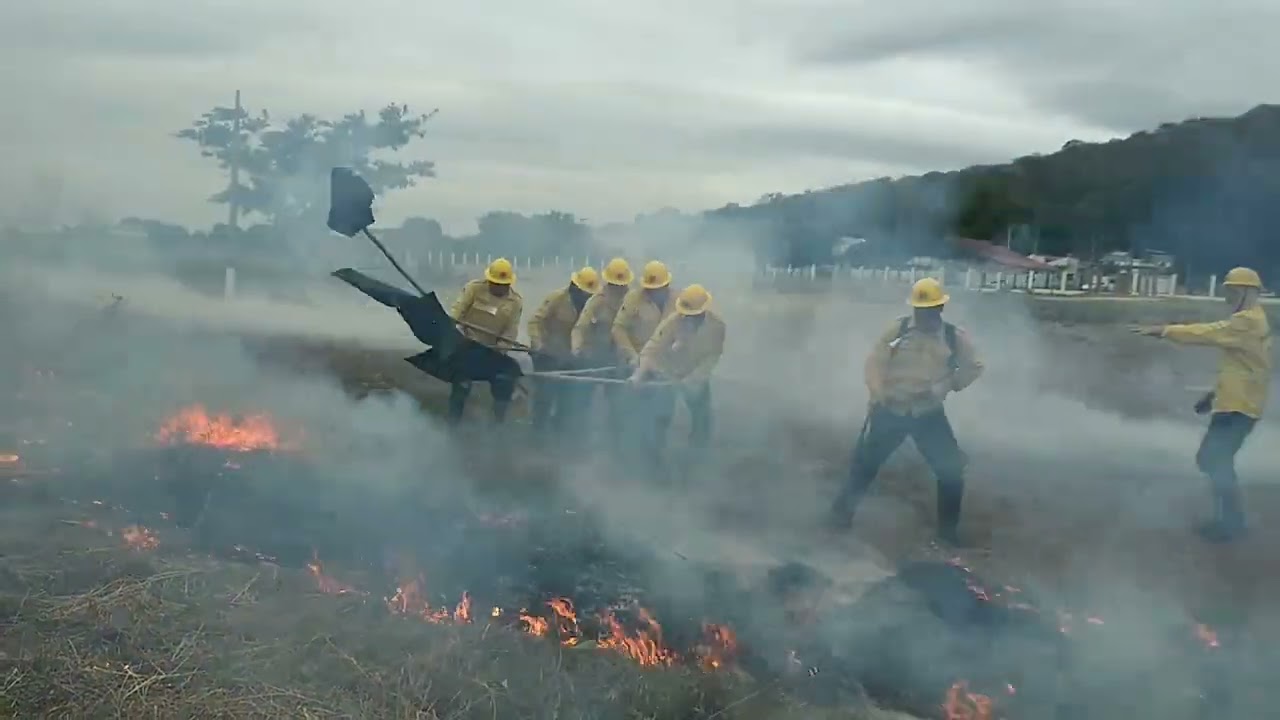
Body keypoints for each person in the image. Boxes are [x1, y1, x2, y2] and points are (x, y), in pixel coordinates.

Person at [828, 277, 984, 547]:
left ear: (940, 308)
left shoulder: (953, 337)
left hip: (928, 414)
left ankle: (947, 535)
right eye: (920, 310)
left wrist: (946, 386)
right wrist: (878, 393)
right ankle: (838, 518)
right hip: (891, 410)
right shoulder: (897, 330)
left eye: (930, 310)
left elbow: (974, 367)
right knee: (864, 466)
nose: (924, 315)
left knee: (951, 471)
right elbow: (875, 363)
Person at [1131, 266, 1271, 542]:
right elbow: (1244, 367)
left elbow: (1205, 333)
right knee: (1214, 459)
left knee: (1213, 459)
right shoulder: (1252, 321)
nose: (1228, 298)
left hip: (1239, 407)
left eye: (1233, 292)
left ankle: (1231, 524)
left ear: (1248, 292)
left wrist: (1164, 330)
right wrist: (1213, 395)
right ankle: (1230, 521)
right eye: (1227, 292)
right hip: (1238, 403)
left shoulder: (1247, 322)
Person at [629, 284, 726, 452]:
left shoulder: (717, 326)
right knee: (660, 416)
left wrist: (695, 377)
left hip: (696, 376)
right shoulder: (672, 322)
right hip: (668, 374)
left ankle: (698, 452)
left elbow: (713, 355)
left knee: (701, 418)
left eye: (692, 315)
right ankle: (653, 454)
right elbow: (651, 349)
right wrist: (639, 374)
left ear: (703, 312)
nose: (687, 318)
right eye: (685, 314)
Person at [446, 258, 523, 424]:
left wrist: (500, 350)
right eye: (496, 283)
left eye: (503, 285)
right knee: (461, 382)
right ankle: (452, 423)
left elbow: (510, 331)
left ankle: (497, 424)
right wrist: (455, 330)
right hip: (466, 347)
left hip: (492, 351)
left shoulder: (515, 302)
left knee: (506, 377)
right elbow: (457, 312)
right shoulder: (474, 289)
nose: (499, 287)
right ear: (489, 280)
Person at [613, 261, 676, 453]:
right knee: (631, 410)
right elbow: (618, 328)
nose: (653, 292)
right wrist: (632, 356)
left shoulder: (678, 301)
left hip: (664, 367)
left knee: (663, 411)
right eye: (650, 288)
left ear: (667, 285)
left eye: (658, 288)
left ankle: (655, 450)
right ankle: (623, 450)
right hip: (635, 362)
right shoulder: (633, 298)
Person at [527, 267, 600, 433]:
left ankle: (562, 431)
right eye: (585, 293)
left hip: (573, 357)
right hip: (549, 355)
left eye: (590, 295)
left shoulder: (593, 305)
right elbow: (534, 322)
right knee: (545, 395)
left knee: (570, 396)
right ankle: (537, 431)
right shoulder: (557, 298)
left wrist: (587, 351)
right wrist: (538, 345)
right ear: (575, 288)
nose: (587, 297)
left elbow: (593, 332)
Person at [571, 258, 634, 445]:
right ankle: (577, 438)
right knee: (583, 398)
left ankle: (616, 440)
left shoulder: (633, 300)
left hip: (619, 359)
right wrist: (577, 348)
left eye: (621, 286)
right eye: (615, 285)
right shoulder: (596, 301)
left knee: (618, 402)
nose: (618, 289)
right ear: (608, 283)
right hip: (594, 356)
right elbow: (580, 328)